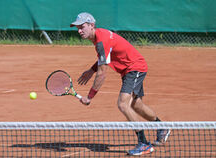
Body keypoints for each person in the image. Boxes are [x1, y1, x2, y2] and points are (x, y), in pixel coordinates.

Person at [70, 12, 170, 156]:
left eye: (82, 27)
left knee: (123, 104)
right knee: (136, 105)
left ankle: (144, 143)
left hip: (134, 67)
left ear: (91, 25)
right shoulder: (99, 37)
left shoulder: (101, 39)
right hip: (129, 69)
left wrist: (90, 97)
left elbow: (103, 72)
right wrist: (91, 70)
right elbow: (105, 57)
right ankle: (162, 127)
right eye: (77, 27)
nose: (79, 30)